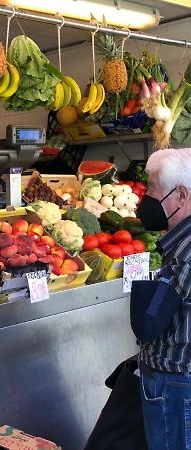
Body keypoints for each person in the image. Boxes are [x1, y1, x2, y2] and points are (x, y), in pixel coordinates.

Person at [134, 148, 191, 450]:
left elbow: (152, 320)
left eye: (152, 188)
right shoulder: (180, 243)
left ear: (181, 196)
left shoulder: (187, 252)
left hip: (177, 385)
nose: (146, 198)